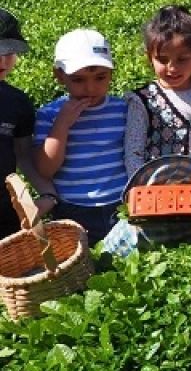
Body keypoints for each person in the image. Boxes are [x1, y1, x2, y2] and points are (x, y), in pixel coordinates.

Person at [33, 29, 128, 245]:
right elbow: (46, 169)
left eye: (100, 77)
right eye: (78, 80)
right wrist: (62, 125)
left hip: (120, 204)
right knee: (82, 265)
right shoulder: (49, 114)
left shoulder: (122, 109)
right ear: (59, 75)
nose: (90, 88)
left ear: (111, 73)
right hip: (73, 208)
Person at [124, 5, 191, 178]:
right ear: (150, 57)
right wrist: (140, 187)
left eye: (182, 59)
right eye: (162, 59)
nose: (172, 68)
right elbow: (134, 151)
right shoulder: (144, 100)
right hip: (161, 187)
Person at [0, 7, 58, 237]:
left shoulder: (18, 102)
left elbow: (23, 156)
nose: (4, 59)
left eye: (10, 52)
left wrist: (48, 194)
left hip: (5, 216)